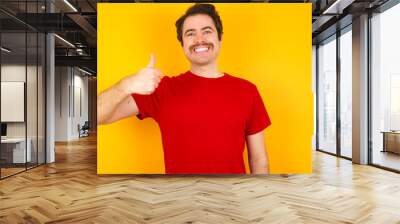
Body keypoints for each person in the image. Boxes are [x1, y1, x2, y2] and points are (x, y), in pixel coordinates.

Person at [98, 3, 271, 174]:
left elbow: (259, 160)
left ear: (220, 37)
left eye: (207, 31)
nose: (199, 39)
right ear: (182, 44)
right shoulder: (161, 89)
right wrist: (126, 85)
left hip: (233, 198)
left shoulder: (247, 91)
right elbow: (97, 116)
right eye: (190, 34)